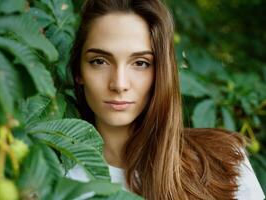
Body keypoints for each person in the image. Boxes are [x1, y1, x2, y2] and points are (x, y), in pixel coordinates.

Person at [66, 0, 265, 199]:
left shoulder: (226, 161)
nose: (119, 84)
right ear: (78, 72)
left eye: (141, 63)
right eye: (99, 61)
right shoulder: (50, 178)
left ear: (162, 72)